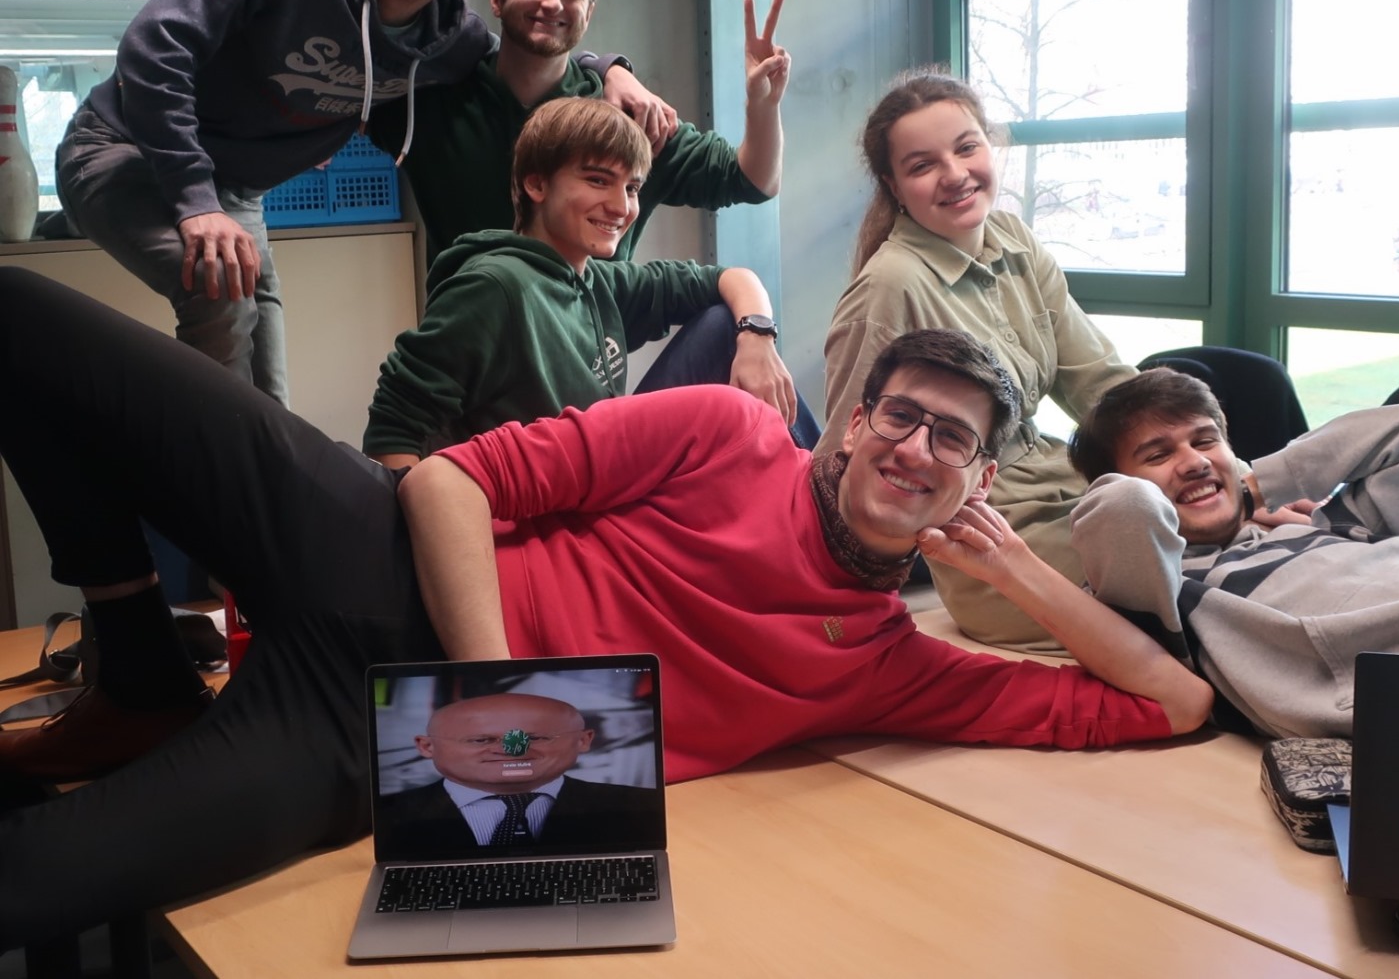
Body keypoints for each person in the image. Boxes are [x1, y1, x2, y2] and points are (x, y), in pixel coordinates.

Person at [0, 276, 1209, 947]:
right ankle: (138, 664)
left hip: (363, 746)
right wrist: (487, 699)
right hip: (368, 545)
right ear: (852, 423)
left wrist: (1021, 571)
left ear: (980, 479)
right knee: (25, 319)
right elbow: (450, 479)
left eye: (952, 439)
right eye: (899, 414)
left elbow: (1172, 703)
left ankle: (146, 698)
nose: (915, 446)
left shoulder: (890, 666)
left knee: (36, 885)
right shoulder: (726, 429)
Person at [54, 0, 514, 406]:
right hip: (119, 145)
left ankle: (247, 462)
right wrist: (197, 202)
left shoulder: (449, 41)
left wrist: (603, 68)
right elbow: (154, 47)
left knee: (269, 399)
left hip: (236, 190)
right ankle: (208, 462)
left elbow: (523, 61)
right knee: (221, 298)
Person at [1065, 367, 1399, 741]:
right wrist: (1190, 488)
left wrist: (1254, 487)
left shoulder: (1339, 525)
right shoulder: (1173, 593)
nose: (1194, 462)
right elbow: (1123, 508)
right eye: (1157, 454)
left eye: (1205, 441)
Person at [821, 69, 1134, 653]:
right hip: (993, 540)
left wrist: (1209, 462)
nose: (955, 174)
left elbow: (1104, 386)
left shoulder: (1014, 239)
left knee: (1219, 518)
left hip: (1069, 488)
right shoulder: (889, 286)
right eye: (923, 165)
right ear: (893, 186)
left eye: (966, 148)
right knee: (1193, 560)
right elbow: (845, 459)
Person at [362, 98, 798, 466]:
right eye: (597, 180)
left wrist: (757, 336)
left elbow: (730, 278)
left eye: (631, 188)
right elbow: (394, 426)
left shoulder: (598, 281)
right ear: (536, 184)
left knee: (725, 324)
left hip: (603, 477)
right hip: (543, 509)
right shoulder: (494, 288)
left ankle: (811, 497)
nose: (621, 207)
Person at [367, 0, 787, 266]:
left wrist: (763, 105)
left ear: (589, 10)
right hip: (465, 337)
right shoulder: (431, 103)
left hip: (591, 341)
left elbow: (752, 180)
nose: (552, 3)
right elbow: (347, 102)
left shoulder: (626, 117)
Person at [378, 693, 658, 854]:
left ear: (583, 740)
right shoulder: (387, 816)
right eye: (482, 740)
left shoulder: (639, 808)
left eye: (535, 738)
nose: (513, 750)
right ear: (426, 746)